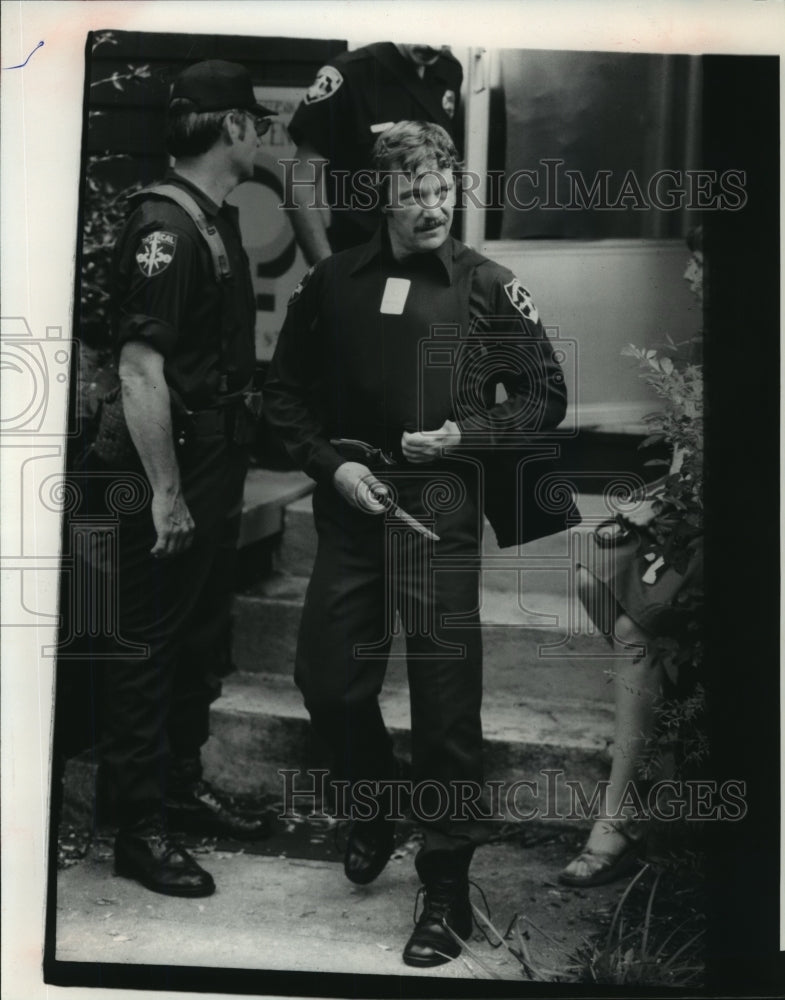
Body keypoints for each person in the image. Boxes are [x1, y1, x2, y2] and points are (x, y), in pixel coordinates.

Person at [264, 120, 570, 966]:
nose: (432, 207)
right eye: (413, 194)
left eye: (442, 190)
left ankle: (443, 887)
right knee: (324, 679)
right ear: (381, 198)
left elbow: (543, 397)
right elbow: (282, 397)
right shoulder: (332, 281)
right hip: (352, 504)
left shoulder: (486, 285)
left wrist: (467, 432)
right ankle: (372, 800)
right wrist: (328, 469)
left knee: (443, 702)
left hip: (439, 508)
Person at [98, 60, 275, 897]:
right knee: (151, 643)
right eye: (255, 119)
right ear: (232, 126)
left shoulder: (210, 217)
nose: (264, 133)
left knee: (198, 636)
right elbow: (139, 370)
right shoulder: (166, 226)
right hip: (173, 463)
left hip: (212, 459)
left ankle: (175, 788)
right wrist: (165, 493)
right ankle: (137, 828)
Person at [558, 230, 704, 888]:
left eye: (703, 266)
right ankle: (662, 729)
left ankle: (616, 815)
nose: (691, 280)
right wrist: (652, 500)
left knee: (631, 631)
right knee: (590, 576)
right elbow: (686, 466)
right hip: (690, 520)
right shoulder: (704, 353)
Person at [285, 42, 463, 263]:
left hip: (432, 259)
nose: (430, 43)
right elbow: (299, 187)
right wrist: (327, 274)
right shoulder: (350, 74)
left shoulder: (449, 70)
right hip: (364, 258)